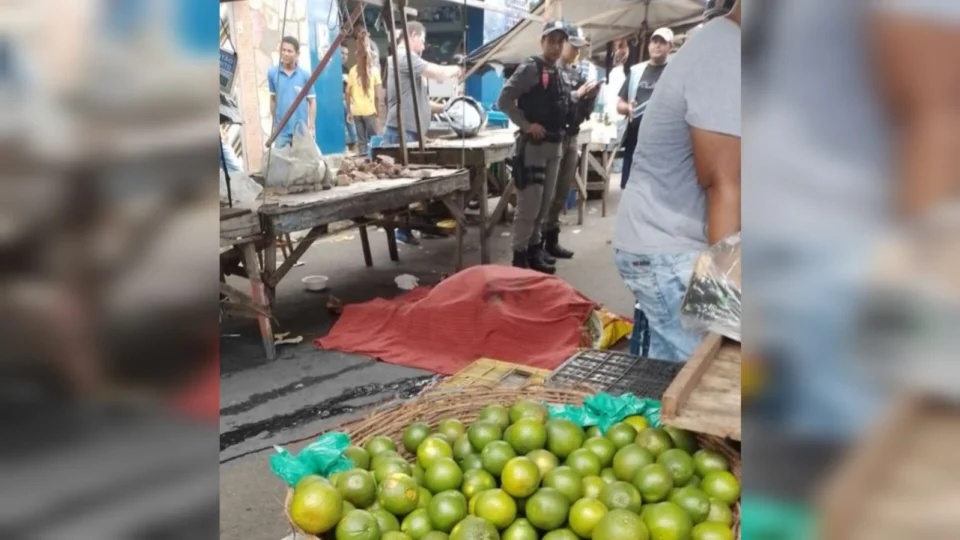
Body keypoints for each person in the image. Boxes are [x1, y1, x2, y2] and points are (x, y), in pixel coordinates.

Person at [611, 3, 741, 362]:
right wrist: (729, 311)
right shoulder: (725, 52)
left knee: (674, 375)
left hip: (674, 239)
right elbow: (724, 184)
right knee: (713, 372)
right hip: (668, 249)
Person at [499, 21, 593, 274]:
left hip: (555, 145)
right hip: (534, 147)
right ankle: (519, 256)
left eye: (560, 42)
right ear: (542, 42)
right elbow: (504, 100)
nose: (556, 46)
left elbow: (559, 101)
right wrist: (526, 125)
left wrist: (580, 97)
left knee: (544, 204)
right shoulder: (531, 68)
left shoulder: (558, 72)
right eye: (551, 41)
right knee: (529, 206)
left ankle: (534, 250)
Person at [541, 23, 601, 263]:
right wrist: (577, 95)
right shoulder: (547, 71)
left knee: (562, 190)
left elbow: (582, 112)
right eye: (573, 46)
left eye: (579, 47)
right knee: (546, 193)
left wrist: (590, 98)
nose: (576, 51)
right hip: (552, 138)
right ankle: (537, 244)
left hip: (572, 135)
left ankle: (551, 240)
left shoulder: (577, 74)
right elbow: (552, 105)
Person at [384, 21, 461, 145]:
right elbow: (439, 74)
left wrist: (446, 108)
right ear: (413, 35)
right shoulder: (404, 57)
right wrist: (457, 69)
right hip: (402, 132)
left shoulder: (406, 60)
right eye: (422, 41)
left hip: (409, 132)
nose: (423, 47)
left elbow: (421, 102)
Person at [617, 27, 673, 189]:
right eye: (654, 41)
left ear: (670, 46)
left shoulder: (674, 72)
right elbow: (619, 105)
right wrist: (628, 108)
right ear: (649, 45)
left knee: (657, 188)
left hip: (662, 143)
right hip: (635, 140)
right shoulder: (636, 71)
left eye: (662, 42)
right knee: (631, 187)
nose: (657, 45)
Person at [268, 36, 316, 148]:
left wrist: (311, 127)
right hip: (282, 132)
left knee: (303, 159)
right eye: (283, 50)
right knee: (281, 158)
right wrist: (276, 123)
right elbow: (273, 100)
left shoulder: (305, 75)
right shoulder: (272, 73)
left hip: (301, 131)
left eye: (289, 51)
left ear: (297, 54)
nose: (285, 53)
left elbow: (312, 102)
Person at [346, 27, 382, 156]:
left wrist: (349, 111)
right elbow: (377, 96)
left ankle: (363, 159)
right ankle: (374, 160)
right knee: (373, 139)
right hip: (370, 111)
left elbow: (347, 93)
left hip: (357, 112)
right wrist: (378, 114)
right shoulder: (374, 72)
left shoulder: (352, 71)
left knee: (361, 141)